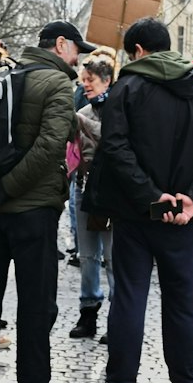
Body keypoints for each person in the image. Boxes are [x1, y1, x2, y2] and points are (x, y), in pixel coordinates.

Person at [75, 18, 193, 383]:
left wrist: (151, 196)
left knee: (129, 297)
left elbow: (114, 147)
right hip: (184, 215)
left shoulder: (127, 88)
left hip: (139, 210)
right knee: (183, 303)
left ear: (139, 51)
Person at [0, 20, 79, 383]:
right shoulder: (59, 84)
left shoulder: (1, 74)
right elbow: (51, 146)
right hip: (32, 210)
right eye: (75, 48)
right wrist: (11, 187)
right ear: (61, 45)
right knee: (35, 304)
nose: (77, 57)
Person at [67, 53, 114, 340]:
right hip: (84, 189)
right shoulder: (82, 112)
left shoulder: (120, 110)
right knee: (87, 257)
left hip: (111, 194)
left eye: (91, 80)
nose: (85, 85)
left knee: (112, 257)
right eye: (83, 80)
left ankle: (116, 317)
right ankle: (88, 312)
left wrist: (81, 122)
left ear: (107, 81)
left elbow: (111, 138)